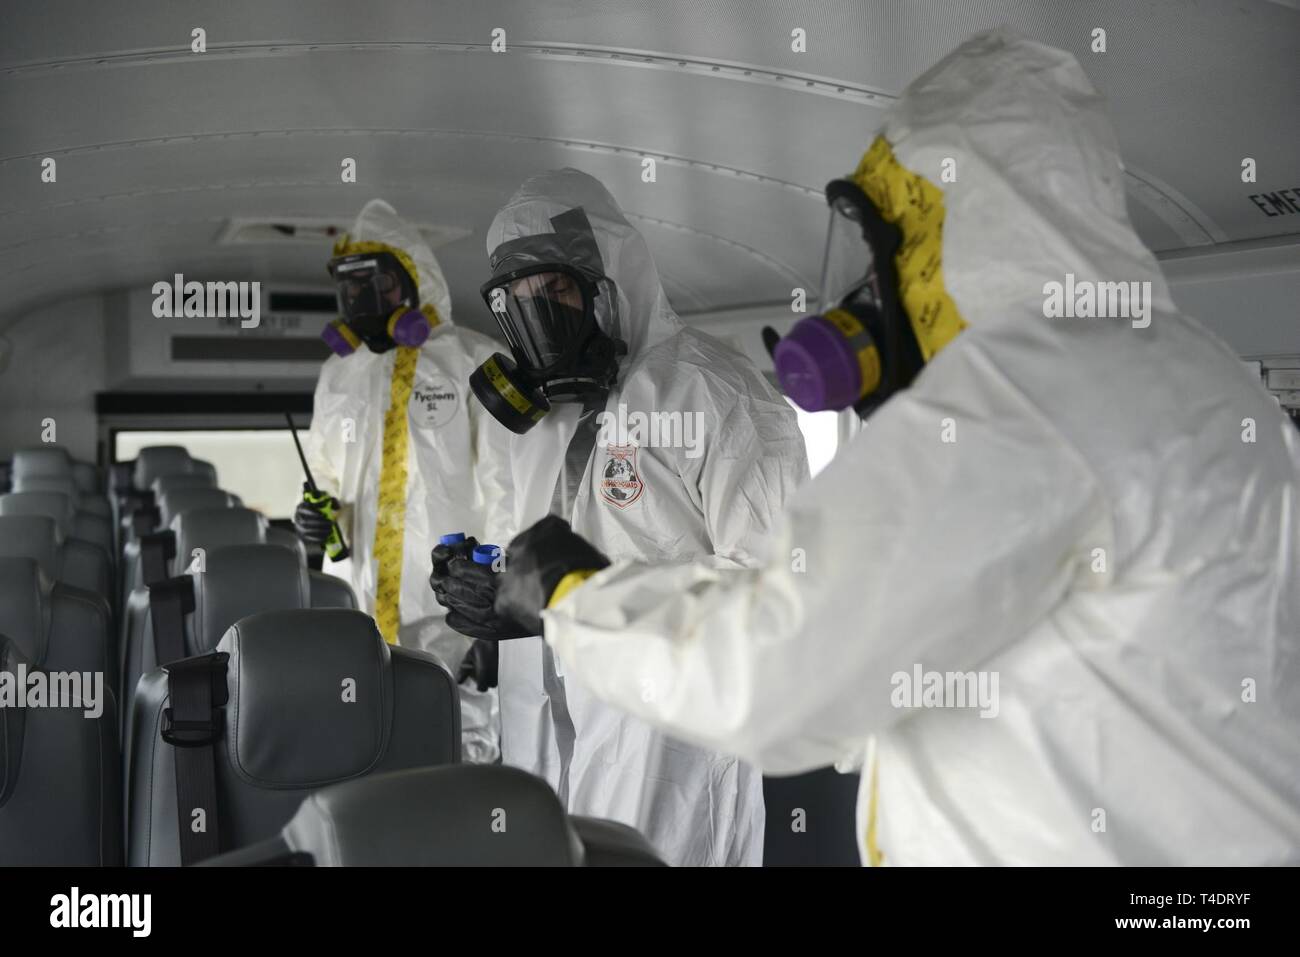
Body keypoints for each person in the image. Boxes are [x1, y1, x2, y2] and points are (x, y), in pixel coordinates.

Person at [489, 30, 1300, 866]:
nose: (867, 296)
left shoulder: (1021, 390)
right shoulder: (1194, 371)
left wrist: (572, 594)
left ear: (959, 237)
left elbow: (781, 665)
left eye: (890, 255)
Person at [431, 169, 809, 866]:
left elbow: (771, 596)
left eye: (553, 293)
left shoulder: (714, 393)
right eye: (516, 301)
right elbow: (547, 576)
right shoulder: (544, 425)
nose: (537, 318)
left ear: (609, 281)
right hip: (554, 739)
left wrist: (590, 602)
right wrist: (500, 607)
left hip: (672, 744)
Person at [298, 198, 510, 763]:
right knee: (371, 745)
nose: (361, 303)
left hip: (453, 608)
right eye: (349, 290)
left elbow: (511, 488)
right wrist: (316, 516)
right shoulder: (339, 375)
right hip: (360, 605)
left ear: (413, 282)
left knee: (463, 744)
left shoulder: (476, 360)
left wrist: (498, 610)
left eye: (377, 287)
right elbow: (324, 473)